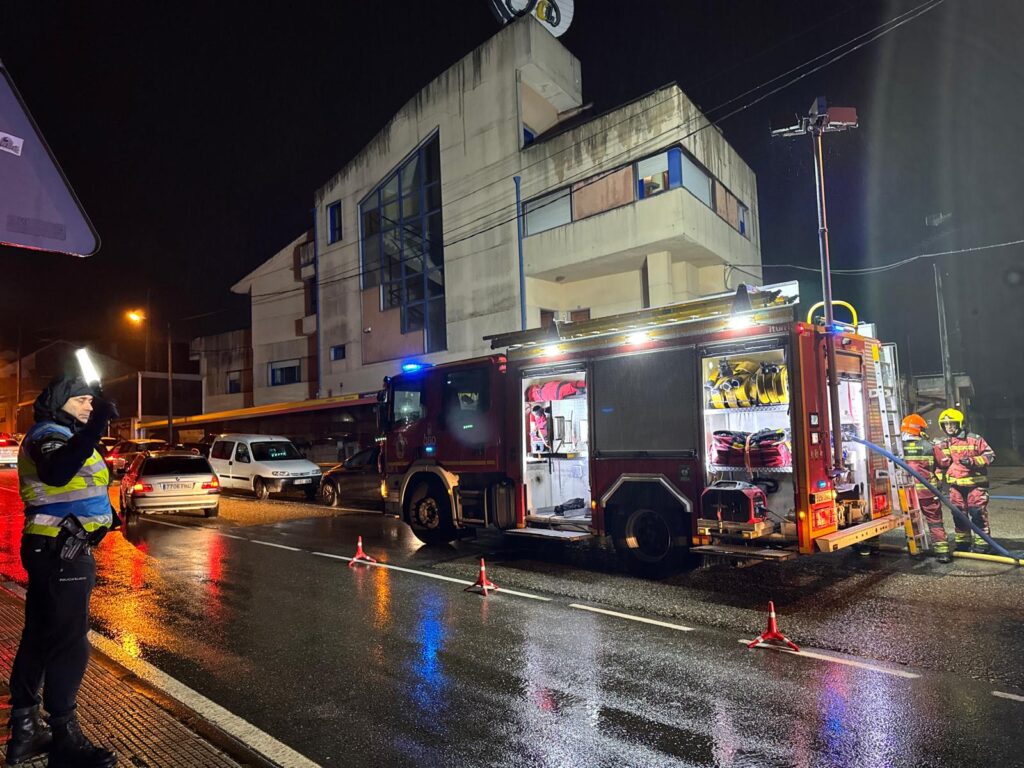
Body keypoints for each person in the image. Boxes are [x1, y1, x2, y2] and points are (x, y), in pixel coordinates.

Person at [6, 375, 118, 767]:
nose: (90, 406)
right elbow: (57, 473)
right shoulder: (48, 435)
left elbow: (76, 487)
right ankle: (65, 740)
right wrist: (97, 425)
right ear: (60, 402)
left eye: (92, 401)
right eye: (82, 400)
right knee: (70, 643)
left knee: (39, 638)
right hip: (61, 551)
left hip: (56, 548)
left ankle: (26, 732)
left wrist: (106, 517)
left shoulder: (64, 435)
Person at [934, 407, 996, 554]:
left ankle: (983, 544)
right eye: (946, 424)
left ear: (959, 423)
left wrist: (973, 461)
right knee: (958, 515)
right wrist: (937, 481)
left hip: (975, 484)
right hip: (955, 486)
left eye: (952, 423)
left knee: (977, 513)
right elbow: (939, 464)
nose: (949, 427)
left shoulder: (974, 439)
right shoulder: (944, 443)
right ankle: (963, 543)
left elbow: (990, 455)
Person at [900, 413, 950, 562]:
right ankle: (942, 552)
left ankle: (915, 550)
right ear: (920, 429)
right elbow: (945, 463)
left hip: (908, 493)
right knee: (935, 521)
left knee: (912, 521)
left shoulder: (899, 447)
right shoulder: (930, 446)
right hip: (928, 492)